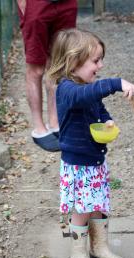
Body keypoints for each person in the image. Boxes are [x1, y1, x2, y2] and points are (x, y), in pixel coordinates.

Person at [47, 29, 134, 258]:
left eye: (101, 59)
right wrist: (115, 83)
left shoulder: (87, 86)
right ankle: (78, 252)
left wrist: (108, 121)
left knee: (99, 205)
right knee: (82, 209)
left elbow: (98, 107)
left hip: (95, 162)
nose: (100, 65)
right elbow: (85, 97)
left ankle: (100, 247)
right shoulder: (67, 89)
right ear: (73, 61)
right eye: (95, 60)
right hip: (78, 165)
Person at [16, 0, 77, 151]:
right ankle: (39, 128)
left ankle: (55, 122)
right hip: (36, 4)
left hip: (67, 4)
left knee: (58, 64)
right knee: (36, 67)